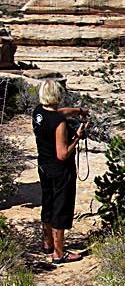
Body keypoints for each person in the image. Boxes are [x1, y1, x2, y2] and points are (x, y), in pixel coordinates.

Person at [32, 79, 86, 263]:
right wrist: (77, 137)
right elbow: (62, 154)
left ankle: (48, 244)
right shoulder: (59, 123)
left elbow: (59, 113)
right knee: (60, 208)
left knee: (47, 204)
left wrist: (79, 111)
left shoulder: (39, 112)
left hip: (44, 167)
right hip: (60, 171)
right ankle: (59, 253)